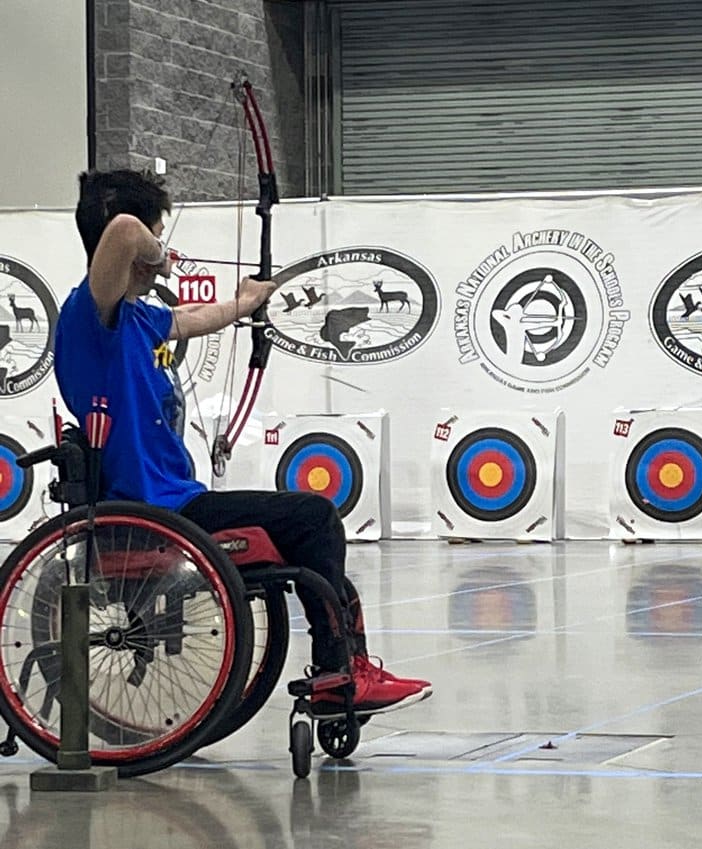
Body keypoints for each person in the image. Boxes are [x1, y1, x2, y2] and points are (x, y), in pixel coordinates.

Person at [54, 168, 431, 716]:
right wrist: (156, 249)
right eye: (161, 235)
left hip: (169, 505)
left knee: (305, 527)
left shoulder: (133, 319)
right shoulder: (91, 317)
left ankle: (341, 670)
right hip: (157, 512)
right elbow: (125, 232)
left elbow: (185, 319)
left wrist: (244, 302)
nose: (164, 252)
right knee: (314, 517)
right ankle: (339, 674)